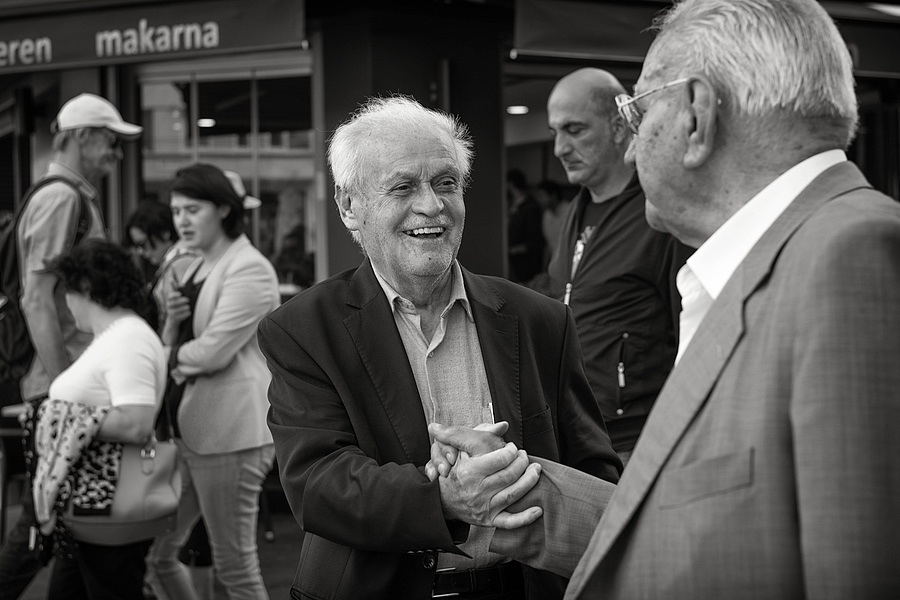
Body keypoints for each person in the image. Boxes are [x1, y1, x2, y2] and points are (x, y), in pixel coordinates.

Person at [431, 0, 900, 597]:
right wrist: (510, 488)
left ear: (697, 117)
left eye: (638, 111)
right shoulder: (780, 263)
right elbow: (686, 518)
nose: (630, 149)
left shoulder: (851, 257)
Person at [257, 95, 622, 600]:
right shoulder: (302, 330)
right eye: (403, 186)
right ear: (348, 207)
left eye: (446, 182)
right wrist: (445, 500)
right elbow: (318, 484)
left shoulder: (540, 320)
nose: (431, 205)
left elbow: (593, 470)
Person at [0, 92, 142, 600]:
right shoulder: (62, 198)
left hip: (68, 383)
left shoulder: (67, 195)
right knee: (44, 524)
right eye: (111, 141)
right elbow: (36, 298)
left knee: (69, 524)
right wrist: (67, 389)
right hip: (64, 385)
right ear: (82, 136)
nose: (116, 154)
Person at [145, 163, 279, 600]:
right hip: (190, 430)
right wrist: (169, 334)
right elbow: (179, 341)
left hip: (230, 433)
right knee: (156, 557)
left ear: (223, 209)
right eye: (176, 211)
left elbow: (212, 353)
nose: (181, 220)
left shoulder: (249, 267)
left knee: (234, 566)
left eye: (192, 209)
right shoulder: (192, 268)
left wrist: (163, 358)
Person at [545, 67, 691, 463]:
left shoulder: (659, 212)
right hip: (578, 435)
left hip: (639, 443)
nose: (559, 147)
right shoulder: (575, 211)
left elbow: (693, 333)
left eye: (574, 130)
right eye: (555, 132)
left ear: (619, 126)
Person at [36, 240, 166, 599]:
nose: (65, 302)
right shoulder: (117, 336)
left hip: (107, 503)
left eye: (67, 291)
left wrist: (57, 415)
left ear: (86, 288)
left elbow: (136, 422)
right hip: (94, 505)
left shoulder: (127, 338)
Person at [505, 169, 545, 283]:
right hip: (513, 265)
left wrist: (512, 250)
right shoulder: (511, 206)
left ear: (511, 184)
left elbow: (535, 240)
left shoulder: (530, 208)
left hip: (526, 266)